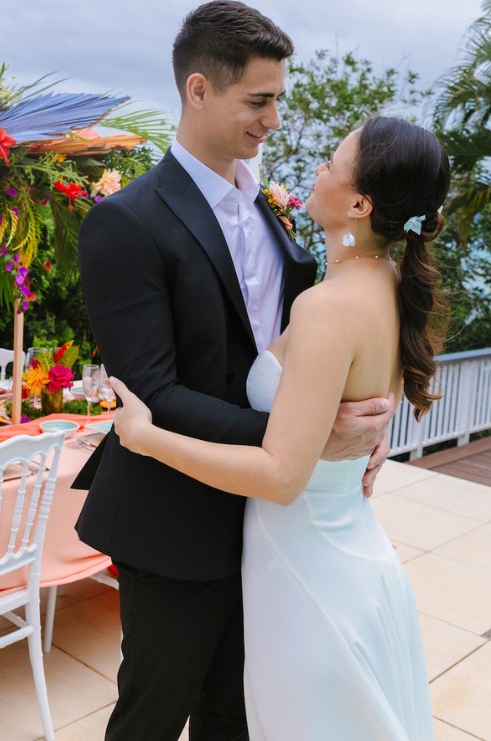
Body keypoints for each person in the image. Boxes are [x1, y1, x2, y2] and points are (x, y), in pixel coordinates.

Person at [74, 0, 396, 741]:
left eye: (278, 99)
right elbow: (150, 391)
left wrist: (354, 426)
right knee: (152, 714)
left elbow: (308, 350)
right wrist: (303, 438)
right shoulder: (126, 221)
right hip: (174, 515)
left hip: (268, 522)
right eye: (259, 100)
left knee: (238, 713)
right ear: (198, 90)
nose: (274, 120)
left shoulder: (271, 212)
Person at [112, 114, 450, 741]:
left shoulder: (325, 307)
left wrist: (145, 436)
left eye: (330, 162)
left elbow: (280, 475)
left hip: (308, 576)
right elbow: (363, 407)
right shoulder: (390, 285)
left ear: (358, 202)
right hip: (351, 555)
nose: (316, 169)